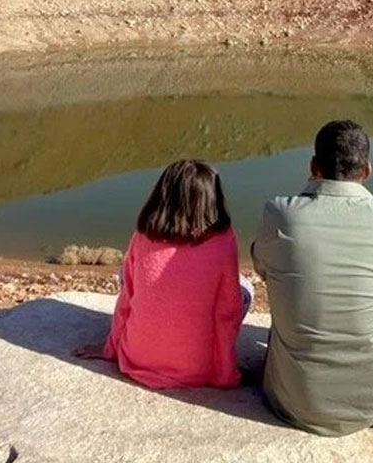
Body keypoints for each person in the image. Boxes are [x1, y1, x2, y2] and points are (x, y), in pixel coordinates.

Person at [252, 120, 373, 436]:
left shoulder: (281, 214)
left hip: (295, 402)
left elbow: (261, 267)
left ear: (313, 166)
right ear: (368, 170)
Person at [75, 159, 253, 389]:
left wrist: (110, 348)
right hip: (196, 369)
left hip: (136, 357)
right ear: (213, 197)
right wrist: (226, 374)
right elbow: (226, 314)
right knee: (246, 288)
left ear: (163, 194)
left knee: (127, 274)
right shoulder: (223, 239)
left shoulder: (144, 234)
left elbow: (127, 298)